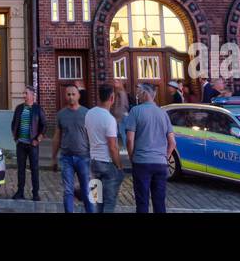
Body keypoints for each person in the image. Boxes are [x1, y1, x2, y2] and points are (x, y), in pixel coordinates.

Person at [124, 82, 175, 213]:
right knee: (159, 202)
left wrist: (131, 156)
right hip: (160, 163)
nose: (137, 95)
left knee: (142, 202)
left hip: (142, 162)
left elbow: (130, 139)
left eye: (139, 92)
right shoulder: (163, 113)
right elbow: (172, 142)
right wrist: (166, 156)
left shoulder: (135, 111)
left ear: (145, 94)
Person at [51, 84, 92, 213]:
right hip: (66, 157)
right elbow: (57, 137)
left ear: (78, 95)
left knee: (86, 190)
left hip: (83, 157)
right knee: (68, 190)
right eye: (68, 94)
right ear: (65, 96)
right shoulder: (61, 114)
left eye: (73, 94)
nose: (71, 97)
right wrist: (53, 158)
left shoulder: (86, 113)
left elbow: (92, 136)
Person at [86, 84, 124, 213]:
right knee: (109, 201)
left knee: (96, 200)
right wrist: (119, 165)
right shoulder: (109, 119)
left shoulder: (89, 114)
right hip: (106, 163)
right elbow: (112, 146)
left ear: (99, 96)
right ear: (112, 98)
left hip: (93, 162)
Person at [10, 86, 45, 201]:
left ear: (32, 95)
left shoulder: (37, 109)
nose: (23, 95)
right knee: (21, 169)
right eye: (23, 93)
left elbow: (43, 126)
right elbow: (14, 122)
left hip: (32, 145)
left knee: (34, 169)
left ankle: (35, 193)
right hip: (21, 144)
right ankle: (20, 192)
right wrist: (15, 137)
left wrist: (38, 139)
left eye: (26, 93)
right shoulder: (19, 108)